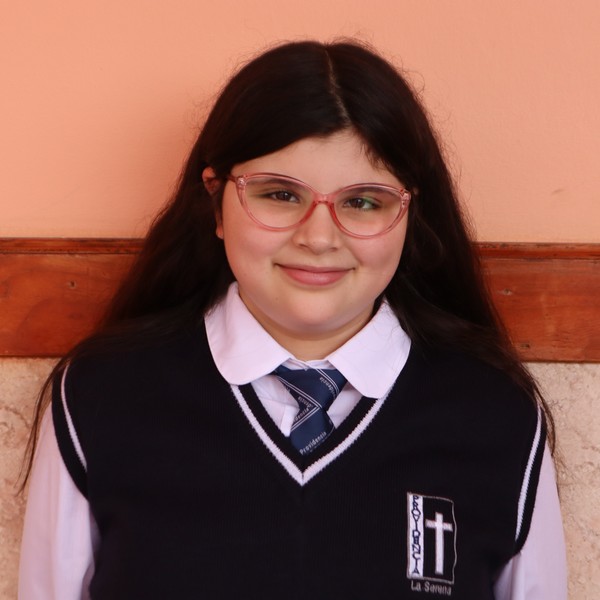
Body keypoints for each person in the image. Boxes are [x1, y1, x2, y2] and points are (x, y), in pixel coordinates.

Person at [19, 40, 566, 599]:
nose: (319, 237)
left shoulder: (496, 415)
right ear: (215, 202)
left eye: (363, 201)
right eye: (280, 194)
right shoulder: (102, 396)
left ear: (408, 213)